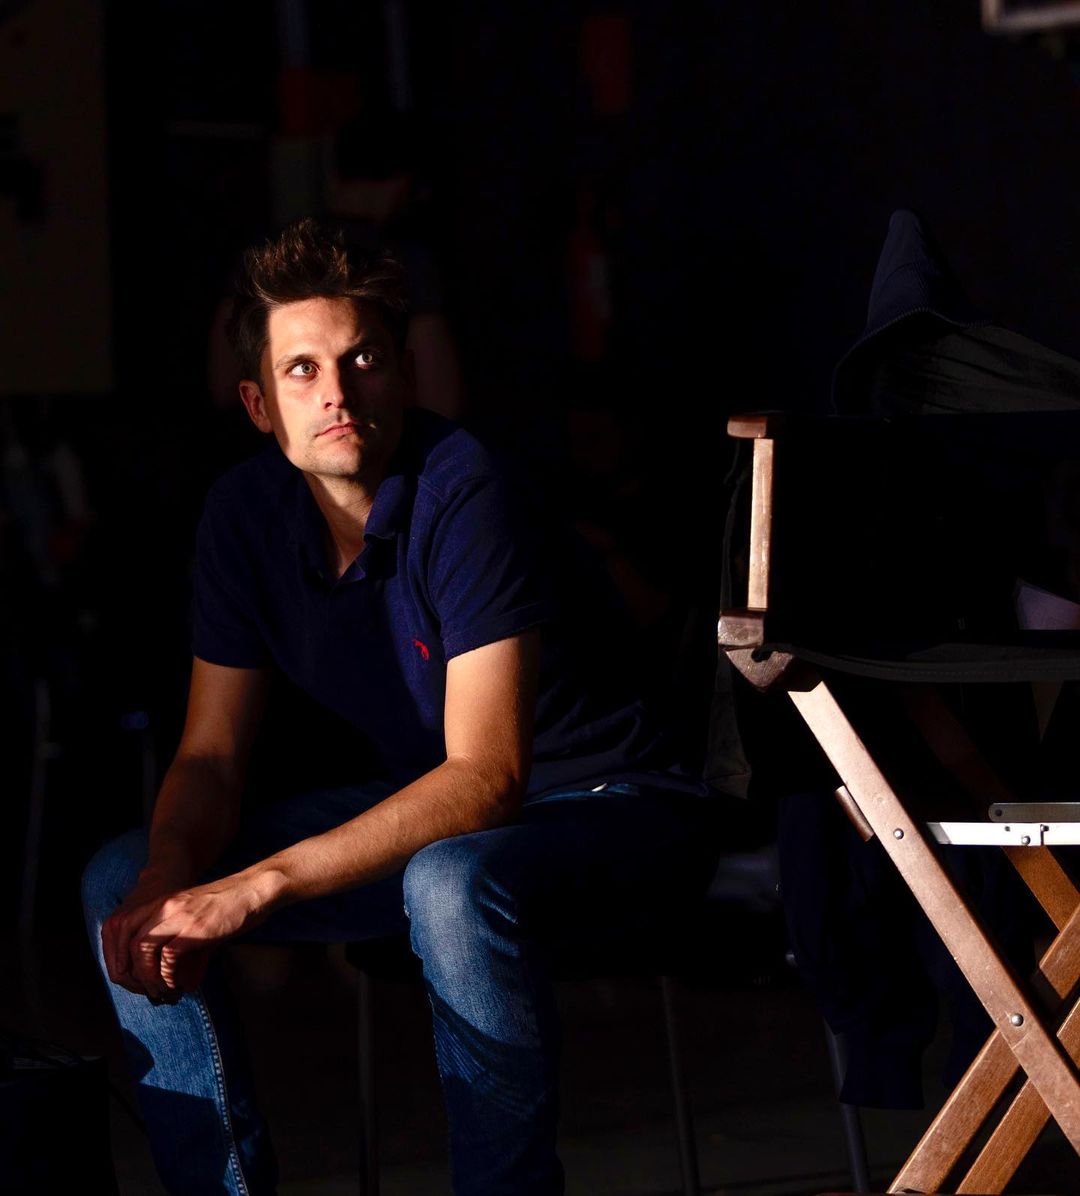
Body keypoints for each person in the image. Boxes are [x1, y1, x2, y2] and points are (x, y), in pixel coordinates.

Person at [81, 218, 717, 1195]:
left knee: (449, 880)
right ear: (258, 404)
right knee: (123, 876)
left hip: (614, 806)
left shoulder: (466, 491)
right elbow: (210, 756)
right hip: (442, 823)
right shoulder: (245, 517)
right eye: (301, 370)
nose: (336, 392)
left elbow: (488, 778)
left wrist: (258, 883)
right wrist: (174, 872)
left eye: (363, 358)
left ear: (406, 373)